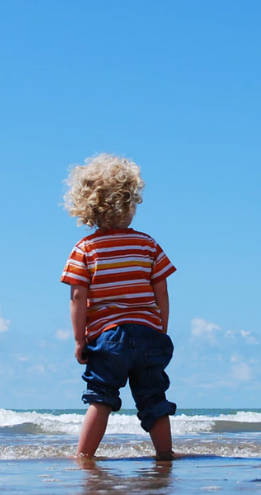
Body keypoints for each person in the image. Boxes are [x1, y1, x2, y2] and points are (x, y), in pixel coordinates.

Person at [60, 153, 177, 459]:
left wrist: (79, 340)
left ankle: (84, 457)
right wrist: (160, 328)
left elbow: (78, 298)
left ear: (88, 208)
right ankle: (165, 455)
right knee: (154, 398)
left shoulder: (85, 249)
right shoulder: (148, 244)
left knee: (101, 398)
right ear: (130, 203)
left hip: (108, 338)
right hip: (149, 335)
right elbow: (162, 291)